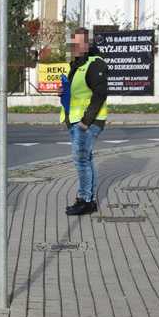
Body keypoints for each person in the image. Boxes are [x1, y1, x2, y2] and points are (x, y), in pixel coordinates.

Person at [63, 28, 108, 216]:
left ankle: (85, 200)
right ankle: (89, 200)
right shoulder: (76, 64)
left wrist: (85, 121)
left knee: (81, 161)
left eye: (78, 42)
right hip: (75, 120)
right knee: (86, 160)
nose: (74, 46)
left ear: (87, 44)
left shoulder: (95, 64)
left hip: (87, 123)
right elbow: (78, 91)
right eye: (73, 42)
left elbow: (100, 94)